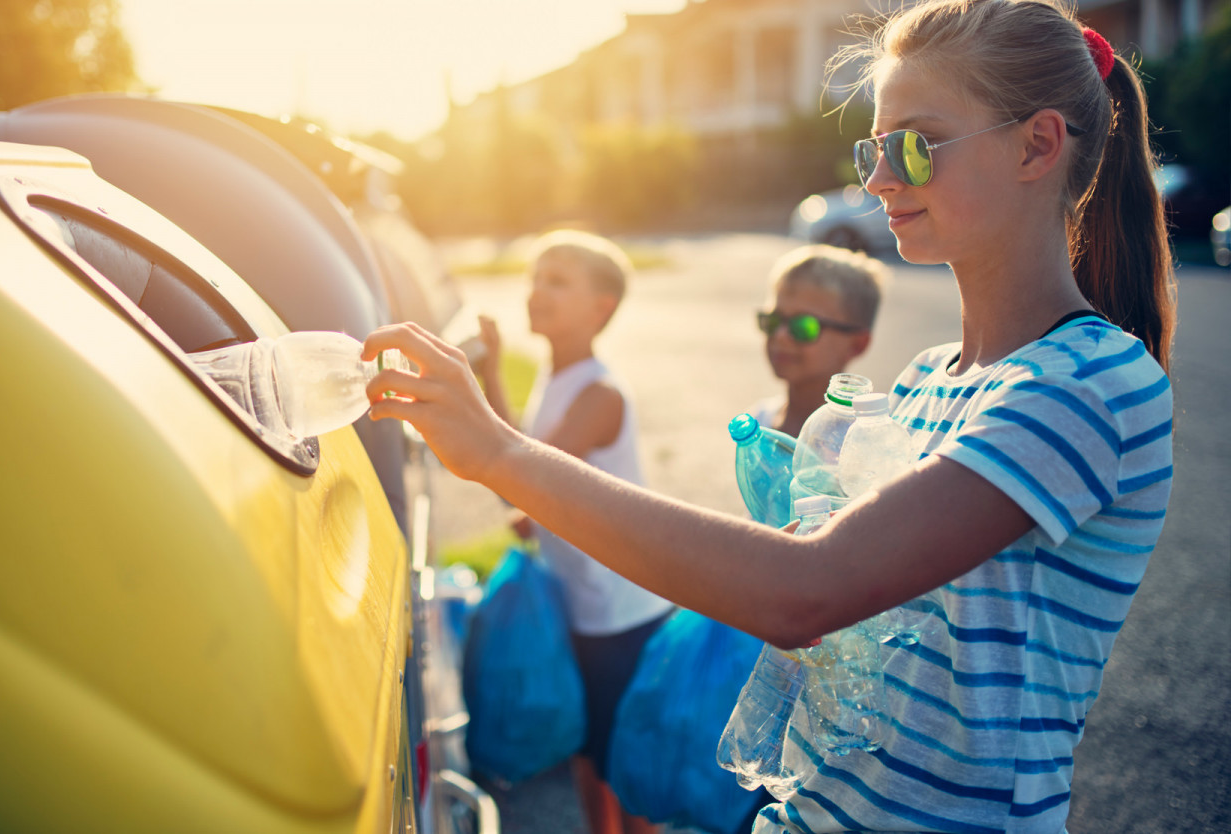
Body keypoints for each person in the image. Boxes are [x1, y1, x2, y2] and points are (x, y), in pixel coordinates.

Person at [365, 1, 1175, 831]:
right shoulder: (929, 378)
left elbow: (805, 593)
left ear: (1037, 145)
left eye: (913, 146)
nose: (877, 180)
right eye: (872, 147)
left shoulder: (1092, 384)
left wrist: (500, 454)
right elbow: (847, 619)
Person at [472, 229, 673, 834]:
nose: (538, 291)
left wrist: (528, 498)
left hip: (618, 611)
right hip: (582, 602)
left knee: (623, 764)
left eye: (557, 280)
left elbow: (521, 474)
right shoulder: (556, 378)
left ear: (600, 308)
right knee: (588, 752)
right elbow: (526, 465)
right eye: (535, 277)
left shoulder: (598, 393)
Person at [749, 244, 888, 436]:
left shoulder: (862, 439)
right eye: (773, 320)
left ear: (857, 344)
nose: (781, 335)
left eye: (804, 326)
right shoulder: (760, 420)